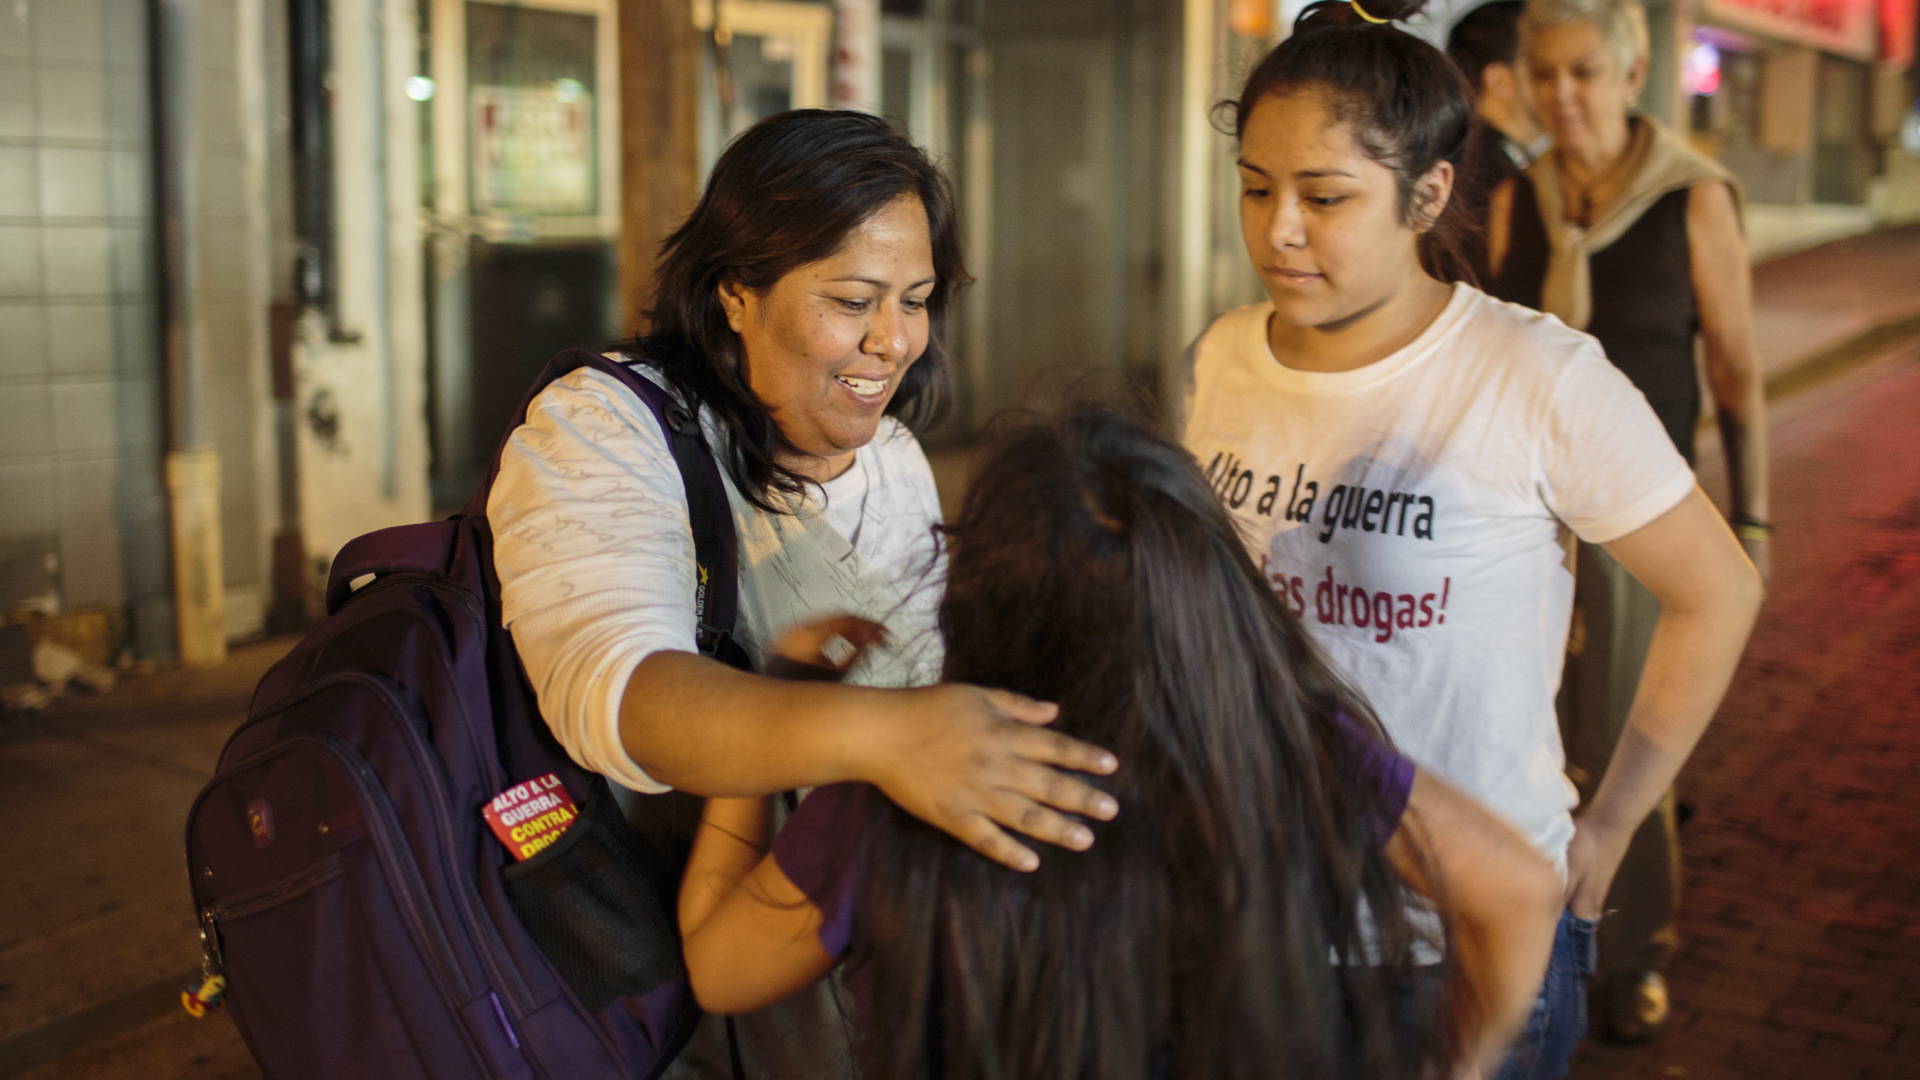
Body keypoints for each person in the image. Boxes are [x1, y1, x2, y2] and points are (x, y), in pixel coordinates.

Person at [1180, 1, 1762, 1076]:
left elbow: (1718, 590)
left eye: (1325, 196)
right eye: (1256, 189)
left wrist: (1614, 824)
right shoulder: (1219, 357)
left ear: (1428, 193)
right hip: (1252, 922)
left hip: (1457, 948)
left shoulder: (1530, 374)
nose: (1279, 230)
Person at [488, 110, 1119, 1077]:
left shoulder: (895, 457)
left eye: (916, 300)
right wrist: (890, 738)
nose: (894, 343)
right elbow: (621, 691)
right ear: (736, 291)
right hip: (694, 1007)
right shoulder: (603, 431)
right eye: (853, 299)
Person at [676, 406, 1564, 1080]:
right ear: (1205, 587)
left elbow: (717, 969)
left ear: (978, 592)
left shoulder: (890, 790)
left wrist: (777, 724)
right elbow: (1520, 892)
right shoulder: (1284, 737)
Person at [1485, 0, 1770, 1041]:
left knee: (1630, 744)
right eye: (1546, 74)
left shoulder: (1692, 201)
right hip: (1526, 519)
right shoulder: (1520, 195)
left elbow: (1737, 377)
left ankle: (1637, 947)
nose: (1564, 95)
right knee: (1536, 730)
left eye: (1586, 73)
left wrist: (1755, 523)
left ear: (1634, 68)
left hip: (1640, 523)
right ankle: (1531, 933)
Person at [1446, 0, 1548, 284]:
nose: (1560, 87)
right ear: (1500, 81)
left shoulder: (1483, 157)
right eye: (1542, 69)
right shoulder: (1482, 174)